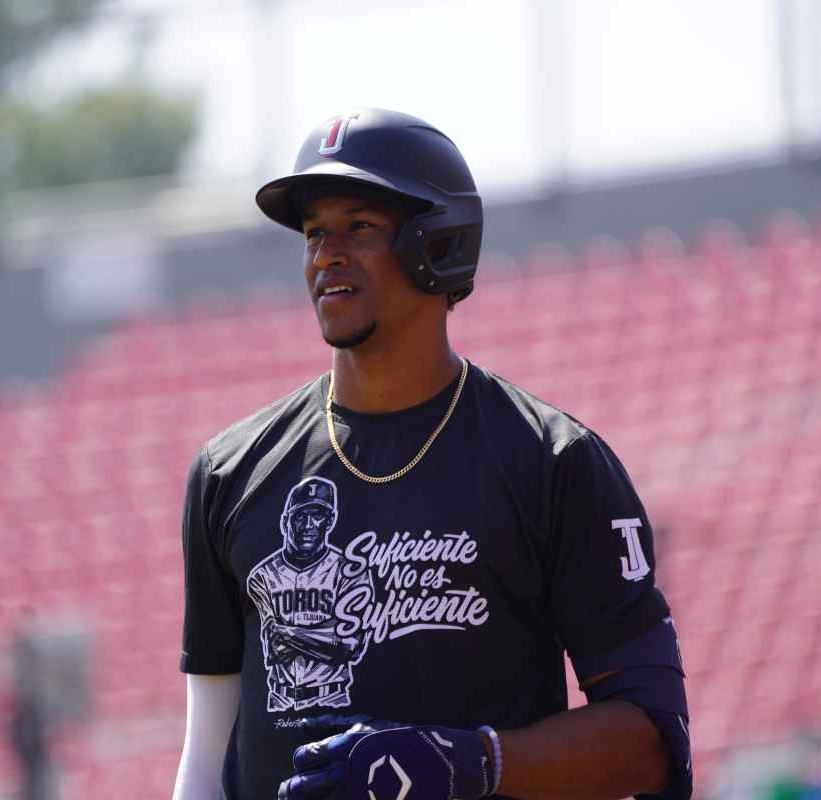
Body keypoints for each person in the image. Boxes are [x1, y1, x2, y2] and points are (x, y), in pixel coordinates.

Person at [172, 108, 690, 800]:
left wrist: (471, 762)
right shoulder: (229, 473)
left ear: (440, 243)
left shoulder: (554, 462)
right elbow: (206, 758)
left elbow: (651, 744)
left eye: (359, 226)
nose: (326, 254)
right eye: (314, 232)